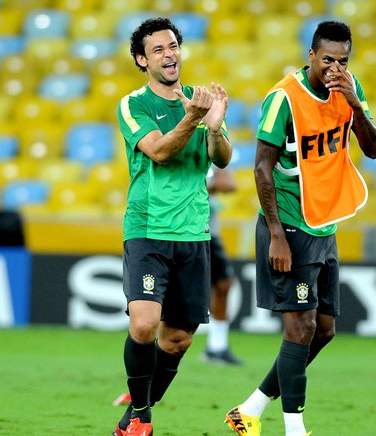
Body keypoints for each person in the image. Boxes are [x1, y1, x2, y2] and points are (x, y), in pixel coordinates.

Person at [224, 21, 376, 436]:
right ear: (311, 55)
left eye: (343, 61)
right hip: (290, 225)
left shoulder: (349, 88)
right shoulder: (283, 99)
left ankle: (248, 409)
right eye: (327, 59)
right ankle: (295, 429)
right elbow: (260, 167)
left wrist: (356, 104)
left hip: (324, 223)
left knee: (324, 330)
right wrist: (275, 233)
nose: (334, 67)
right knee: (300, 327)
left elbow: (374, 148)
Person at [114, 17, 232, 436]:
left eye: (173, 46)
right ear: (141, 60)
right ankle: (142, 416)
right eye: (159, 50)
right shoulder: (135, 105)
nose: (170, 55)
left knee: (178, 339)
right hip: (148, 229)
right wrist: (193, 118)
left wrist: (214, 128)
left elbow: (221, 159)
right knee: (144, 324)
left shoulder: (199, 100)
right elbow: (160, 153)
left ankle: (133, 417)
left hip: (194, 233)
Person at [201, 166, 244, 365]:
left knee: (224, 284)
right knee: (175, 288)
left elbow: (229, 184)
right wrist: (212, 185)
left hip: (210, 231)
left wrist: (198, 186)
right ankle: (162, 344)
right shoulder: (172, 143)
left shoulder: (213, 144)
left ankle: (216, 346)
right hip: (182, 229)